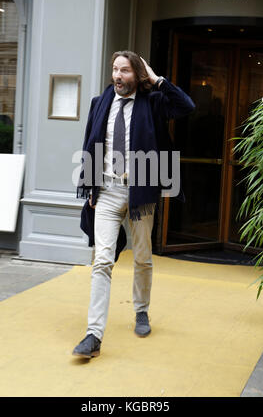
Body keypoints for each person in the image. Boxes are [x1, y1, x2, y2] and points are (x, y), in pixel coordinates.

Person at [73, 50, 195, 358]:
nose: (117, 76)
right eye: (114, 69)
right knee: (101, 260)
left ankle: (141, 310)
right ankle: (93, 334)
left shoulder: (152, 102)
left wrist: (156, 80)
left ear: (137, 74)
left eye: (124, 71)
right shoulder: (100, 103)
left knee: (142, 257)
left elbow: (186, 106)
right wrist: (89, 185)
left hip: (140, 192)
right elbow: (90, 141)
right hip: (107, 190)